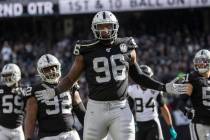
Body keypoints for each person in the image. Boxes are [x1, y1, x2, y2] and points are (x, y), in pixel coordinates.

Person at [36, 11, 188, 140]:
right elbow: (70, 78)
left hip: (120, 108)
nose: (105, 30)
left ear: (115, 27)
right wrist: (55, 91)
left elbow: (139, 76)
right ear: (94, 29)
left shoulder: (127, 45)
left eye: (108, 26)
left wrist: (163, 87)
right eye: (101, 27)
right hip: (96, 109)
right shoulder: (86, 49)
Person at [24, 54, 86, 140]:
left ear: (58, 67)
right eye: (47, 69)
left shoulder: (69, 85)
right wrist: (28, 138)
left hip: (70, 134)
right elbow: (31, 118)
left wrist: (91, 128)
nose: (51, 71)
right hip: (48, 136)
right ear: (40, 72)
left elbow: (80, 111)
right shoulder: (35, 90)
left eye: (53, 67)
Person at [127, 65, 177, 140]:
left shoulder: (153, 90)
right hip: (139, 124)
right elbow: (128, 109)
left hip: (152, 123)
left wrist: (171, 126)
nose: (144, 81)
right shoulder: (131, 90)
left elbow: (163, 108)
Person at [178, 49, 210, 140]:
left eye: (203, 61)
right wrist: (187, 111)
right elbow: (181, 103)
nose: (200, 64)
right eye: (198, 61)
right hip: (200, 124)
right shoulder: (192, 78)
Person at [0, 63, 25, 140]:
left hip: (18, 128)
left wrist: (22, 94)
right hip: (2, 129)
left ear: (17, 75)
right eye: (5, 76)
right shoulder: (1, 89)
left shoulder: (24, 90)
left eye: (9, 75)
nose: (7, 78)